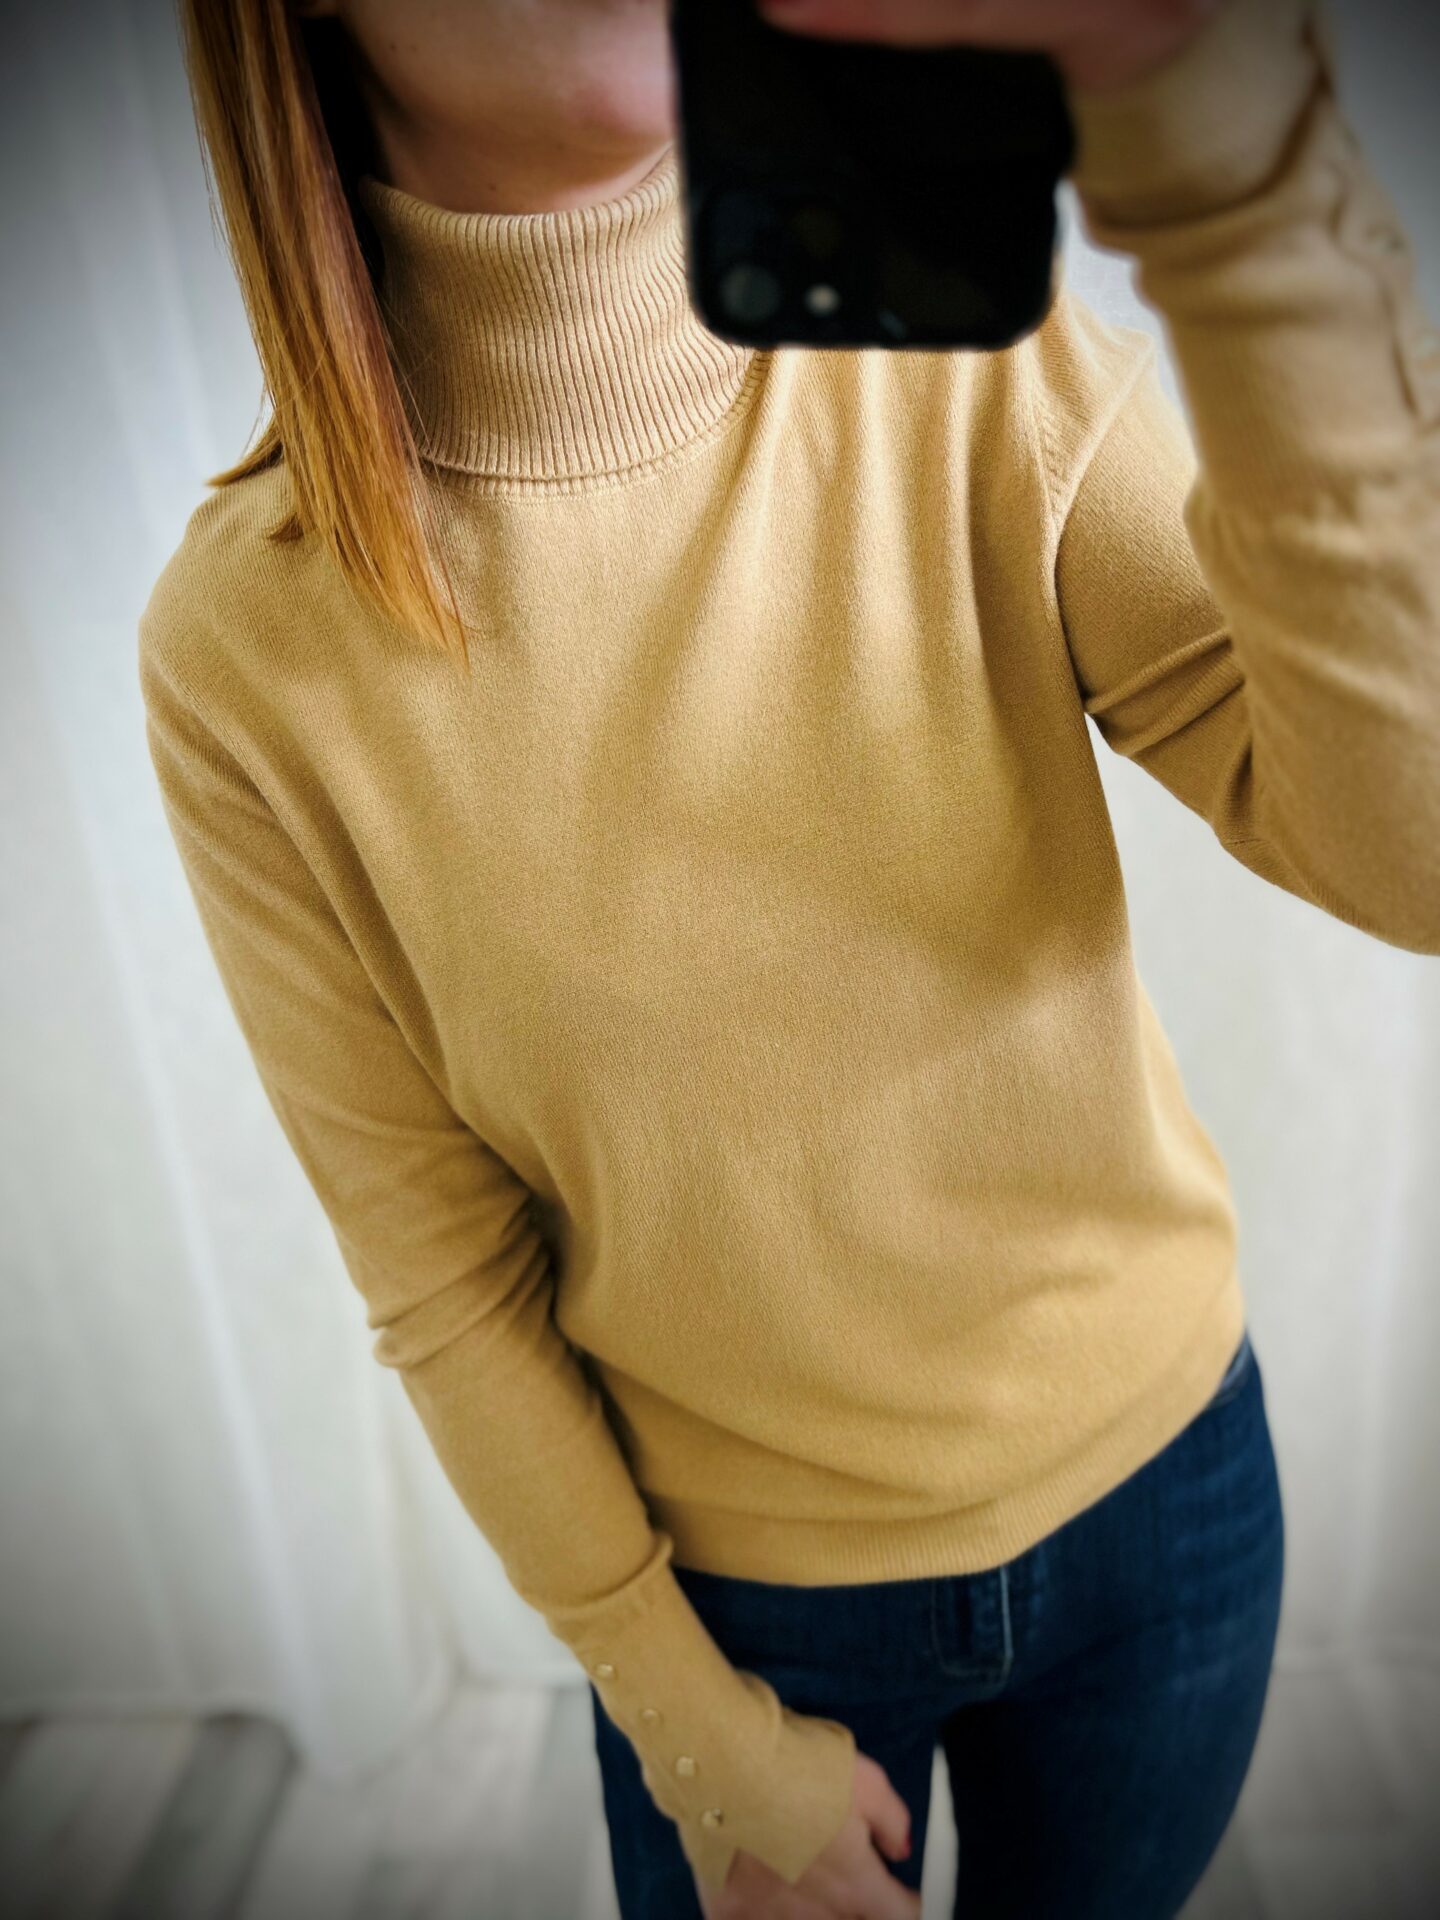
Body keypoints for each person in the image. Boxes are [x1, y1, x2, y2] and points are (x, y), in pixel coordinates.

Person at [138, 1, 1440, 1916]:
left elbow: (1411, 852)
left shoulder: (970, 360)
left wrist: (1238, 173)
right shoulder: (246, 651)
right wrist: (699, 1735)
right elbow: (443, 1275)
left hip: (1166, 1511)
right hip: (745, 1626)